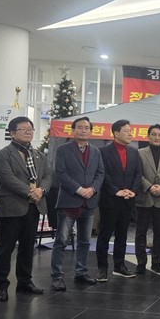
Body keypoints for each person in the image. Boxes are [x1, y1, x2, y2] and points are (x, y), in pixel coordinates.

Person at [0, 116, 51, 301]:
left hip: (34, 207)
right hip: (12, 207)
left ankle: (25, 282)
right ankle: (1, 285)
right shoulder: (3, 154)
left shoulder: (39, 155)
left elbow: (48, 176)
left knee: (27, 247)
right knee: (6, 248)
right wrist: (30, 192)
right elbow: (7, 178)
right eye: (23, 129)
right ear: (12, 133)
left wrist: (41, 190)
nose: (28, 132)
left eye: (30, 129)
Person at [50, 116, 105, 291]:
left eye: (86, 128)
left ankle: (81, 272)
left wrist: (93, 189)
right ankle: (57, 276)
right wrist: (79, 189)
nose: (83, 130)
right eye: (80, 127)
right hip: (69, 200)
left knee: (85, 241)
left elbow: (100, 173)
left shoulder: (96, 151)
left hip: (89, 202)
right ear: (73, 130)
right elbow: (60, 173)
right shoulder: (63, 150)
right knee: (61, 240)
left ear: (91, 131)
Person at [97, 119, 142, 281]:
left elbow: (138, 174)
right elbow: (103, 174)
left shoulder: (134, 152)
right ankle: (102, 268)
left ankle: (119, 266)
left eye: (131, 131)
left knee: (122, 235)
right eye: (127, 131)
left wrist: (133, 191)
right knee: (105, 235)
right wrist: (116, 191)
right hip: (110, 199)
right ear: (116, 133)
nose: (130, 134)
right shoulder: (103, 152)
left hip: (128, 199)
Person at [134, 124, 160, 274]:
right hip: (144, 197)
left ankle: (157, 262)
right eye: (154, 134)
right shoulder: (139, 153)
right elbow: (137, 173)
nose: (157, 137)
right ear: (148, 136)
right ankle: (141, 262)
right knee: (141, 232)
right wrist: (149, 186)